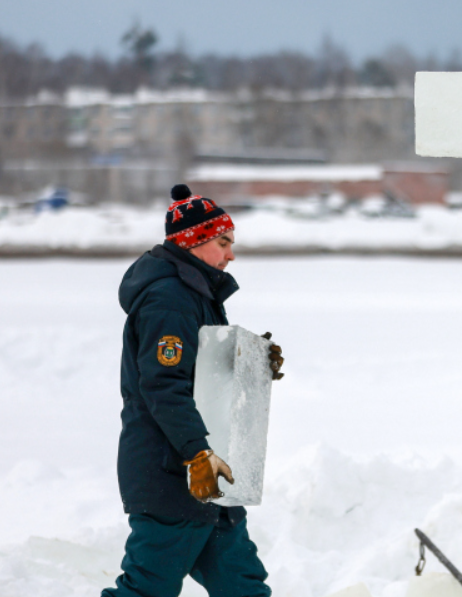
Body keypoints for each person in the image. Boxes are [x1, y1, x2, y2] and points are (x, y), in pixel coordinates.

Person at [103, 184, 284, 597]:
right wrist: (197, 453)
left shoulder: (196, 292)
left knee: (242, 586)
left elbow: (202, 374)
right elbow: (164, 386)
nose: (231, 254)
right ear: (195, 241)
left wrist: (252, 364)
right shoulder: (169, 299)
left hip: (208, 477)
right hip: (174, 472)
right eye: (223, 243)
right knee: (147, 589)